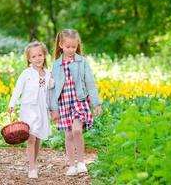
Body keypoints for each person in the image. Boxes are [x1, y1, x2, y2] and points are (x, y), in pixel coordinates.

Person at [49, 29, 102, 176]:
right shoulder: (56, 65)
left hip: (79, 101)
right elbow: (52, 88)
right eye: (68, 47)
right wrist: (53, 109)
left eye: (74, 46)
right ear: (61, 45)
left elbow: (90, 82)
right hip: (64, 103)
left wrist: (96, 103)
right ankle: (72, 165)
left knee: (77, 130)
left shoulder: (82, 62)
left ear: (77, 45)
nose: (71, 50)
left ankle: (81, 162)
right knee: (68, 135)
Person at [8, 41, 52, 179]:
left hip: (42, 108)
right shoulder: (26, 73)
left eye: (40, 55)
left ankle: (33, 162)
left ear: (44, 56)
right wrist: (12, 103)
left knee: (38, 137)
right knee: (31, 136)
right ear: (29, 59)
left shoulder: (48, 74)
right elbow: (17, 89)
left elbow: (51, 92)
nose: (37, 58)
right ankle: (32, 168)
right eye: (34, 56)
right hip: (28, 108)